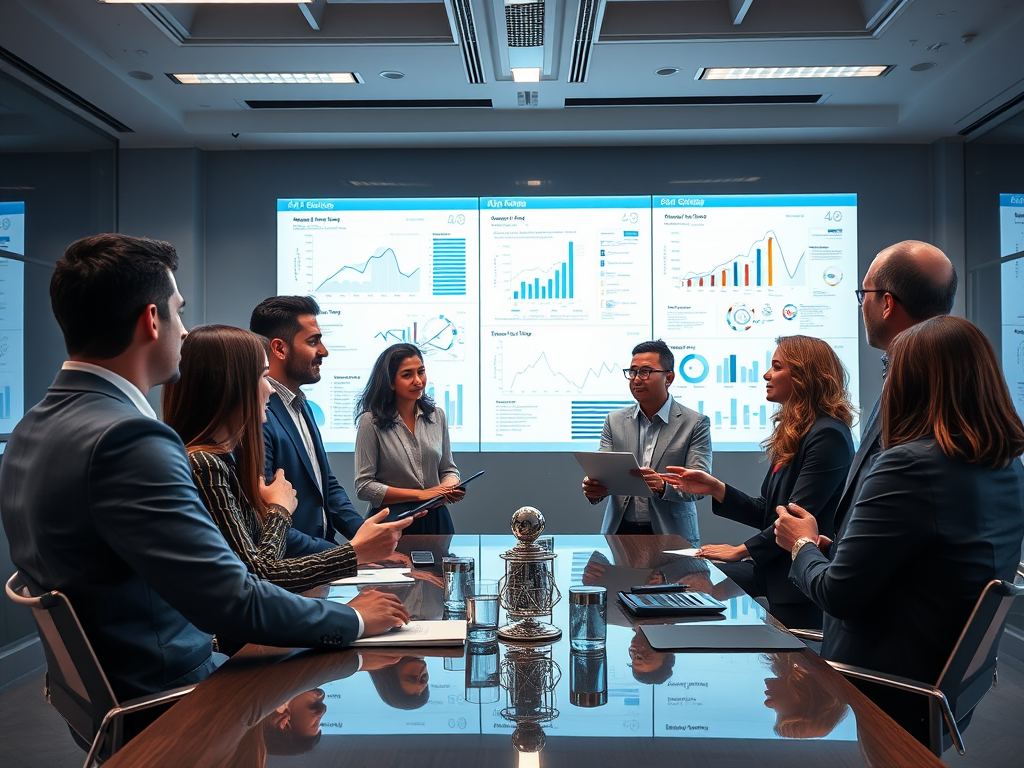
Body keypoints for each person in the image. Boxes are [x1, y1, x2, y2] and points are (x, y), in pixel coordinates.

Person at [0, 234, 410, 729]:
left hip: (105, 700)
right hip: (171, 697)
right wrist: (357, 619)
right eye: (179, 311)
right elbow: (233, 600)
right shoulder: (131, 439)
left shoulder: (31, 427)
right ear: (152, 320)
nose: (185, 329)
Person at [775, 316, 1024, 744]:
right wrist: (837, 553)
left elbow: (838, 595)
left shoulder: (907, 464)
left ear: (910, 381)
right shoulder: (1005, 465)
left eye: (889, 371)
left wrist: (801, 545)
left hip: (881, 687)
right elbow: (935, 565)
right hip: (946, 687)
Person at [163, 324, 419, 597]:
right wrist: (280, 510)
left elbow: (260, 560)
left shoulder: (220, 459)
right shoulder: (205, 464)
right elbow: (260, 576)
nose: (269, 390)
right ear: (229, 386)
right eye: (262, 377)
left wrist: (360, 547)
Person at [662, 336, 854, 629]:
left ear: (804, 376)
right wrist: (716, 488)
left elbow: (793, 519)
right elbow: (769, 511)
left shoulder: (828, 436)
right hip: (774, 572)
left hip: (799, 584)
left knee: (789, 672)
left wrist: (741, 550)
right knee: (689, 580)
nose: (766, 374)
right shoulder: (800, 433)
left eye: (776, 367)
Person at [830, 240, 958, 542]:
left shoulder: (914, 392)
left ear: (887, 304)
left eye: (864, 293)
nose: (862, 303)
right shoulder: (950, 382)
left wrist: (804, 547)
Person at [250, 296, 366, 558]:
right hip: (292, 569)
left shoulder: (301, 405)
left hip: (322, 560)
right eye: (313, 341)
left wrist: (365, 534)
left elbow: (324, 483)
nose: (323, 351)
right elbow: (264, 518)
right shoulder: (259, 416)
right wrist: (350, 553)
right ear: (279, 349)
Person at [581, 339, 712, 543]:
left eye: (645, 372)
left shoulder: (695, 423)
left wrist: (663, 487)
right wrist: (594, 488)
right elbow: (604, 474)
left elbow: (700, 485)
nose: (636, 379)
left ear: (669, 378)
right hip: (620, 532)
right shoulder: (614, 421)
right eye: (632, 372)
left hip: (673, 533)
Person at [354, 343, 464, 535]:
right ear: (390, 382)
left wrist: (449, 486)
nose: (418, 381)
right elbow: (364, 487)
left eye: (421, 372)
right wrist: (422, 495)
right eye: (407, 375)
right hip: (391, 521)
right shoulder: (370, 421)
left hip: (437, 521)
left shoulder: (437, 416)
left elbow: (448, 468)